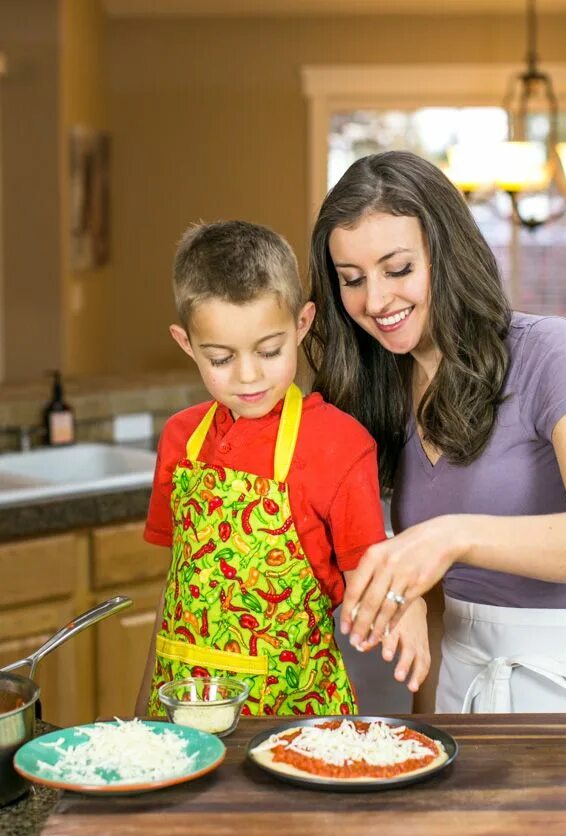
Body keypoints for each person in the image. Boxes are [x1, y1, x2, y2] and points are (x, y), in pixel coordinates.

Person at [305, 150, 566, 714]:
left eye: (398, 269)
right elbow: (435, 610)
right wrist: (426, 729)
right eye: (352, 280)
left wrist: (453, 536)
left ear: (447, 254)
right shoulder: (381, 390)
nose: (376, 300)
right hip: (462, 685)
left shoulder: (549, 352)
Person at [136, 219, 424, 719]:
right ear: (186, 344)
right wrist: (142, 714)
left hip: (293, 716)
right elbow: (175, 594)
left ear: (302, 324)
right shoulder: (181, 438)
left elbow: (372, 584)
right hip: (181, 713)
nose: (248, 376)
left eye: (270, 351)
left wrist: (408, 605)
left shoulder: (339, 444)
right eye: (221, 358)